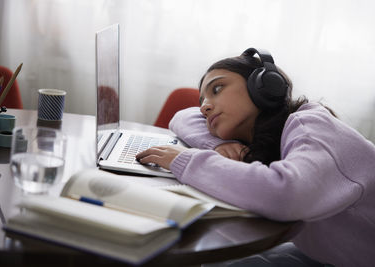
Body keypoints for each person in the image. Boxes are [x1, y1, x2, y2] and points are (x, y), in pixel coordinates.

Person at [136, 48, 375, 267]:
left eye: (217, 89)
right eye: (203, 100)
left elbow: (285, 195)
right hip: (329, 257)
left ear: (265, 87)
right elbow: (182, 117)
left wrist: (187, 160)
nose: (204, 107)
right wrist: (220, 145)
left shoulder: (311, 125)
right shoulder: (260, 138)